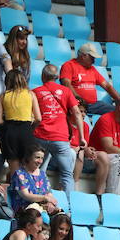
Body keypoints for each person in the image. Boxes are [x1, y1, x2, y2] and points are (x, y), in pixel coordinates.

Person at [34, 64, 89, 193]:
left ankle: (37, 200)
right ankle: (69, 207)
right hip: (60, 138)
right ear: (58, 77)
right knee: (66, 175)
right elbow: (76, 113)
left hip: (40, 136)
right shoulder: (66, 91)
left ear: (43, 76)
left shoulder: (35, 92)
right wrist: (81, 137)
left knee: (37, 170)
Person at [0, 69, 41, 180]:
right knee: (29, 167)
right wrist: (31, 128)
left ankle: (15, 190)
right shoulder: (30, 94)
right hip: (26, 131)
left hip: (10, 132)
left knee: (14, 169)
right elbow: (38, 118)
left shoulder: (3, 96)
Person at [60, 43, 120, 116]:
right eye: (92, 58)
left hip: (94, 105)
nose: (94, 61)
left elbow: (107, 86)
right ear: (83, 56)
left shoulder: (92, 69)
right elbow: (66, 84)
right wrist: (78, 98)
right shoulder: (69, 65)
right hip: (76, 104)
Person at [9, 145, 59, 215]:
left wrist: (50, 203)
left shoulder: (42, 174)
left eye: (42, 158)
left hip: (42, 207)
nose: (40, 161)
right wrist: (45, 198)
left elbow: (49, 193)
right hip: (26, 210)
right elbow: (26, 195)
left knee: (60, 217)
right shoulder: (20, 174)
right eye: (37, 157)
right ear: (28, 158)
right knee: (44, 218)